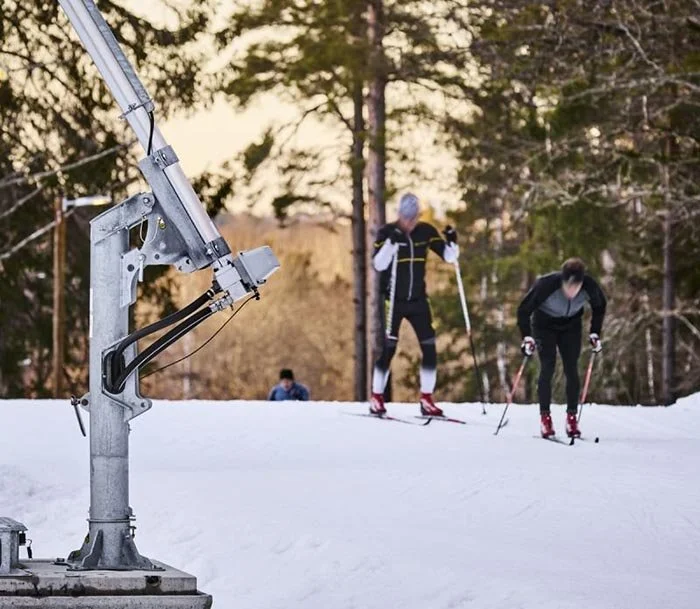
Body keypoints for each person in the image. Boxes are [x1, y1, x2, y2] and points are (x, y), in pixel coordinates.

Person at [370, 192, 459, 417]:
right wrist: (391, 243)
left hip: (418, 300)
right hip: (393, 301)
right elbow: (379, 264)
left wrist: (452, 241)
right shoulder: (387, 232)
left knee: (429, 347)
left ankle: (427, 398)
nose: (411, 222)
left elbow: (449, 257)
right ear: (400, 214)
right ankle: (376, 397)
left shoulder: (425, 231)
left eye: (414, 217)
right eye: (407, 218)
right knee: (389, 349)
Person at [517, 258, 607, 438]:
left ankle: (572, 418)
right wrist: (527, 337)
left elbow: (600, 306)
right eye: (568, 286)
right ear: (562, 281)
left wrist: (595, 332)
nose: (572, 291)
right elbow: (523, 310)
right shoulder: (546, 285)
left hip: (571, 326)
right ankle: (545, 419)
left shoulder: (589, 285)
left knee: (572, 369)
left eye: (576, 287)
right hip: (544, 325)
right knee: (548, 366)